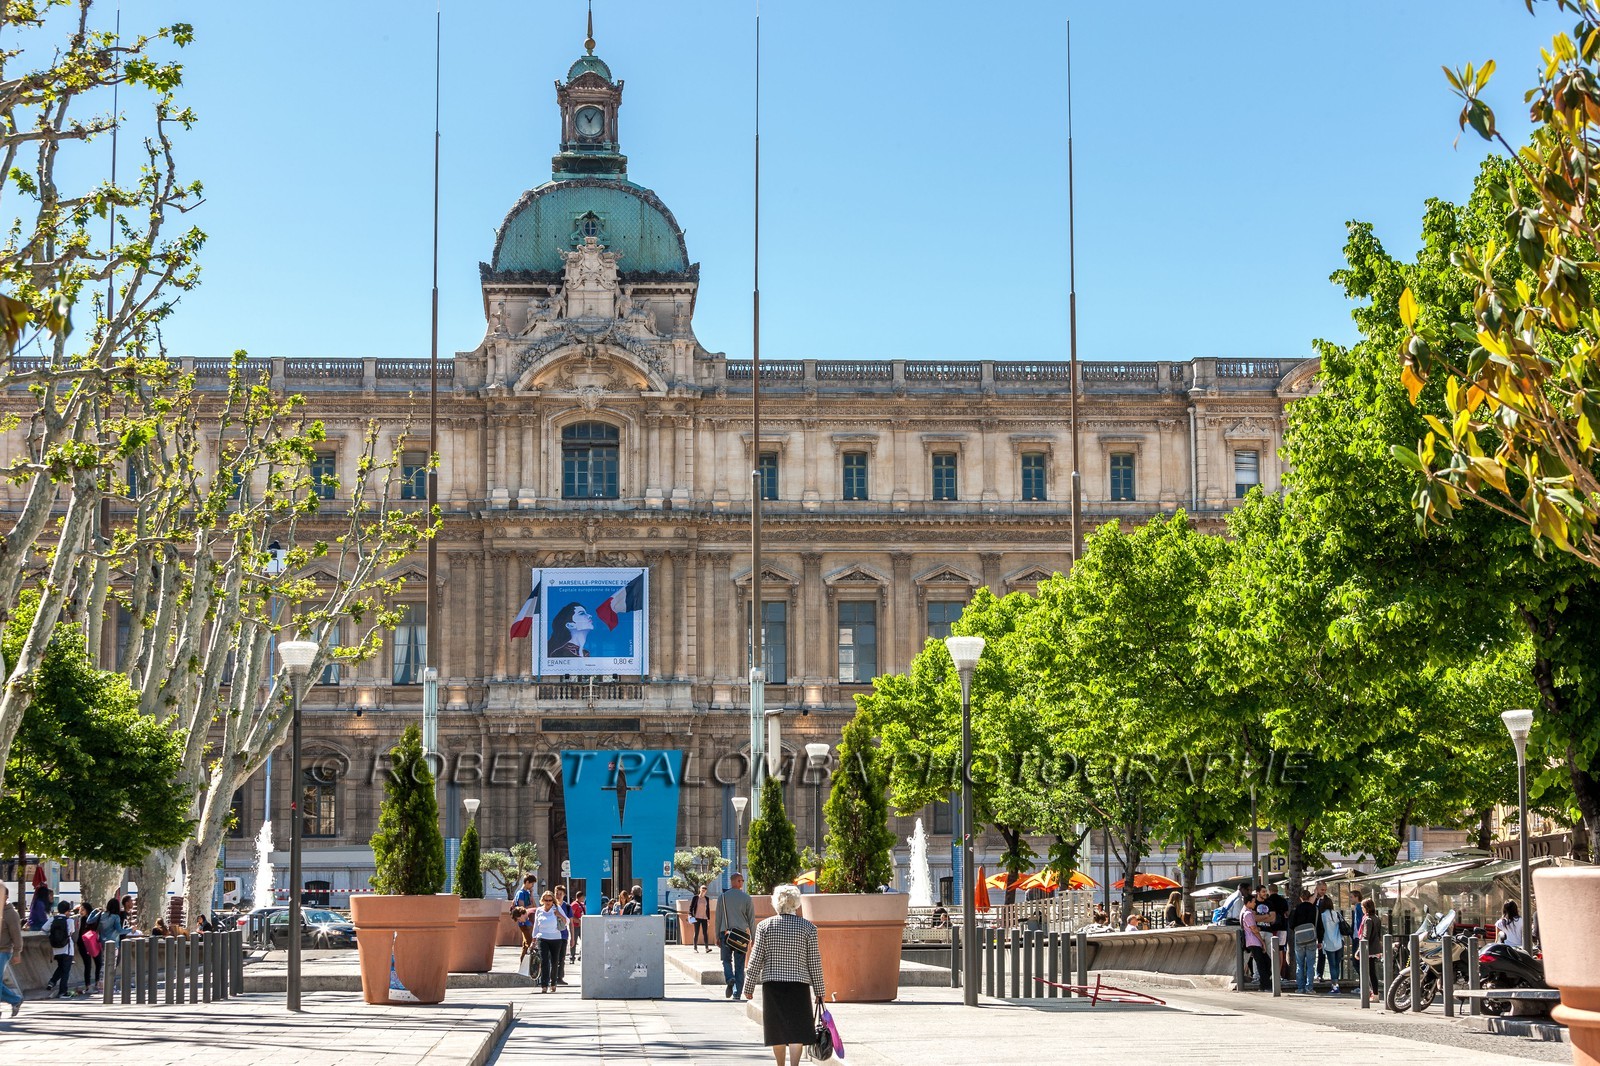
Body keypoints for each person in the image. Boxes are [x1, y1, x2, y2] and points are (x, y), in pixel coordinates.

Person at [743, 884, 826, 1066]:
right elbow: (814, 961)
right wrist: (820, 991)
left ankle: (780, 1064)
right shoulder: (808, 928)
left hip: (773, 985)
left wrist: (748, 987)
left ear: (776, 902)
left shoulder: (765, 926)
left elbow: (756, 958)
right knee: (797, 1029)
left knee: (776, 1030)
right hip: (799, 984)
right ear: (796, 903)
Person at [717, 872, 755, 1000]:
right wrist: (753, 937)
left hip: (726, 933)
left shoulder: (722, 897)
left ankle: (729, 978)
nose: (742, 883)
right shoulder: (746, 898)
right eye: (742, 881)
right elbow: (751, 919)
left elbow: (718, 918)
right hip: (741, 935)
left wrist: (717, 935)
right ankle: (737, 993)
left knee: (726, 960)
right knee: (740, 965)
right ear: (738, 882)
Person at [529, 891, 569, 993]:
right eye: (546, 900)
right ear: (542, 900)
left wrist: (559, 914)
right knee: (544, 961)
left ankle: (553, 983)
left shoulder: (557, 908)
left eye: (550, 900)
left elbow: (567, 921)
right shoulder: (539, 910)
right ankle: (544, 985)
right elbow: (536, 927)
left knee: (555, 962)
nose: (548, 902)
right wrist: (533, 941)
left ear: (553, 900)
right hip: (542, 938)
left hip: (556, 938)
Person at [0, 883, 24, 1017]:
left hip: (3, 950)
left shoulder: (10, 913)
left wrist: (17, 952)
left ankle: (15, 1000)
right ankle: (15, 1000)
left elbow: (16, 935)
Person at [95, 897, 127, 996]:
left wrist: (95, 912)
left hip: (102, 942)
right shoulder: (116, 917)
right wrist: (130, 929)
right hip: (113, 943)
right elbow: (120, 930)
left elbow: (90, 921)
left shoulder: (102, 915)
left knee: (103, 964)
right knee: (111, 966)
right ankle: (110, 986)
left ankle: (101, 986)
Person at [1289, 888, 1318, 993]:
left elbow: (1291, 924)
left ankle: (1300, 987)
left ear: (1301, 898)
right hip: (1311, 938)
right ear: (1309, 897)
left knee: (1300, 964)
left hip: (1299, 938)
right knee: (1311, 964)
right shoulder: (1314, 908)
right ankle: (1309, 987)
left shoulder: (1296, 909)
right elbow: (1317, 923)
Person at [45, 899, 76, 998]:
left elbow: (44, 929)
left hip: (56, 949)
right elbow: (71, 932)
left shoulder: (52, 919)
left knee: (61, 967)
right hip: (67, 949)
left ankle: (52, 982)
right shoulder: (69, 921)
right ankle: (62, 992)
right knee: (65, 971)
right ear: (67, 911)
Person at [1317, 895, 1344, 994]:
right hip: (1339, 942)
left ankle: (1335, 986)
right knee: (1337, 965)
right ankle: (1337, 985)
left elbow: (1320, 929)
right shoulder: (1336, 914)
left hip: (1328, 943)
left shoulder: (1322, 916)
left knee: (1332, 965)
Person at [1242, 901, 1270, 991]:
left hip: (1252, 941)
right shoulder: (1248, 914)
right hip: (1253, 941)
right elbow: (1253, 929)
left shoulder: (1245, 912)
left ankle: (1264, 984)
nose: (1255, 904)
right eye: (1253, 902)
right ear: (1248, 902)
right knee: (1262, 963)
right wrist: (1262, 942)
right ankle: (1265, 985)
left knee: (1264, 962)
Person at [1359, 897, 1382, 1002]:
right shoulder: (1376, 918)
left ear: (1366, 908)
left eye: (1362, 907)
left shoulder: (1368, 919)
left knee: (1369, 972)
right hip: (1375, 947)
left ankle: (1373, 994)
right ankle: (1374, 993)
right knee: (1371, 971)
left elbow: (1365, 936)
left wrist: (1359, 950)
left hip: (1368, 949)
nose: (1362, 909)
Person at [552, 885, 572, 985]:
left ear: (564, 895)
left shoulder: (567, 907)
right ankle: (552, 977)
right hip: (552, 935)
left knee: (561, 958)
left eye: (560, 894)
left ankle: (560, 977)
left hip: (563, 935)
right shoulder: (550, 905)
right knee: (552, 957)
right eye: (557, 893)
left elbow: (571, 922)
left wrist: (572, 938)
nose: (558, 896)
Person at [688, 884, 712, 952]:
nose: (703, 891)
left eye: (705, 890)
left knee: (705, 933)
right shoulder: (695, 898)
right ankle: (695, 948)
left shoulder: (707, 898)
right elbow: (691, 907)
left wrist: (708, 919)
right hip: (697, 917)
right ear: (700, 890)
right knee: (696, 932)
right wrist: (690, 914)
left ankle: (706, 948)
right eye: (702, 889)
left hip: (704, 917)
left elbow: (708, 909)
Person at [568, 892, 585, 962]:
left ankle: (581, 955)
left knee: (584, 941)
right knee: (573, 941)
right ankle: (572, 957)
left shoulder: (582, 905)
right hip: (575, 926)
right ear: (580, 897)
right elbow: (571, 916)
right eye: (583, 897)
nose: (584, 898)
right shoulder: (574, 904)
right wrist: (578, 921)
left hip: (581, 925)